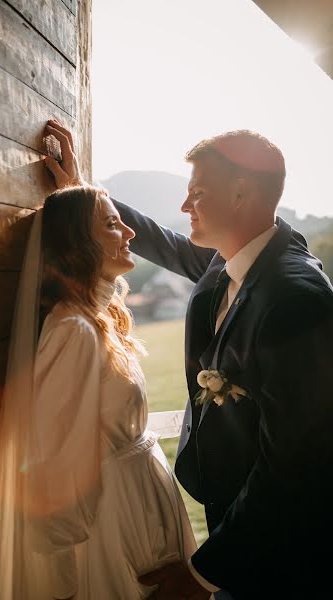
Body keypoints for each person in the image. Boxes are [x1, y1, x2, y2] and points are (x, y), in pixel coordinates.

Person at [45, 120, 333, 599]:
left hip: (285, 552)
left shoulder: (296, 299)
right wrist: (83, 195)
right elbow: (162, 242)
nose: (183, 205)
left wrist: (202, 576)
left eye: (197, 192)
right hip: (233, 519)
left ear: (241, 194)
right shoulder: (231, 260)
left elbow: (295, 462)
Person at [0, 142, 196, 600]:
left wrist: (80, 189)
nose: (131, 232)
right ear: (79, 243)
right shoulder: (72, 331)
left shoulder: (99, 319)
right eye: (114, 224)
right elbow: (55, 462)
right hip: (112, 527)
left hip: (141, 509)